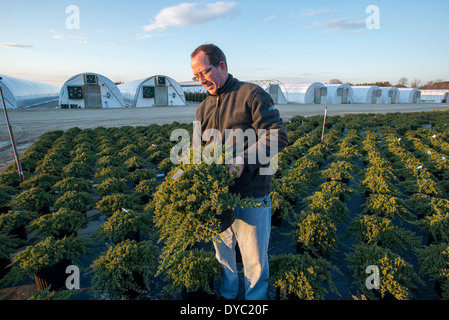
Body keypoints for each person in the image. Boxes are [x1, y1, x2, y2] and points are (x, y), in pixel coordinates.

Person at [190, 44, 288, 300]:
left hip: (251, 196)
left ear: (222, 66)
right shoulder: (202, 109)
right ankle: (228, 296)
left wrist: (244, 159)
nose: (201, 80)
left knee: (254, 258)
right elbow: (196, 151)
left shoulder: (251, 94)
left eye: (204, 72)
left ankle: (256, 300)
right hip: (218, 198)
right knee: (223, 255)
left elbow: (277, 135)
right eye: (196, 76)